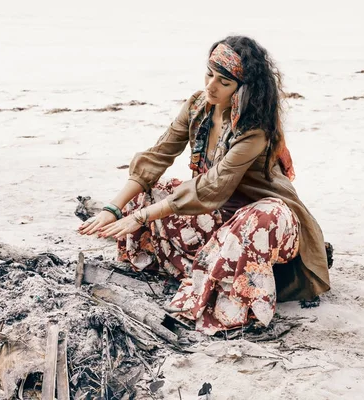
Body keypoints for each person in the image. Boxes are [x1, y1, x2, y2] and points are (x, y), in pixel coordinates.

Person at [78, 35, 330, 335]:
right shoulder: (199, 105)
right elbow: (158, 156)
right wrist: (114, 208)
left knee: (258, 218)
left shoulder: (254, 130)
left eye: (223, 82)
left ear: (243, 87)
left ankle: (233, 282)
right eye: (209, 74)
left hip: (266, 224)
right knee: (150, 192)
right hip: (219, 217)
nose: (211, 85)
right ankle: (211, 264)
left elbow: (213, 186)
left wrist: (141, 218)